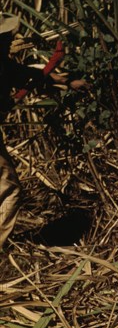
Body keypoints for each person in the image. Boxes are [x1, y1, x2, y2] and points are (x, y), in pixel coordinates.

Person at [0, 13, 89, 249]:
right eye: (5, 36)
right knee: (9, 190)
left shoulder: (3, 64)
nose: (10, 39)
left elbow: (25, 75)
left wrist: (66, 82)